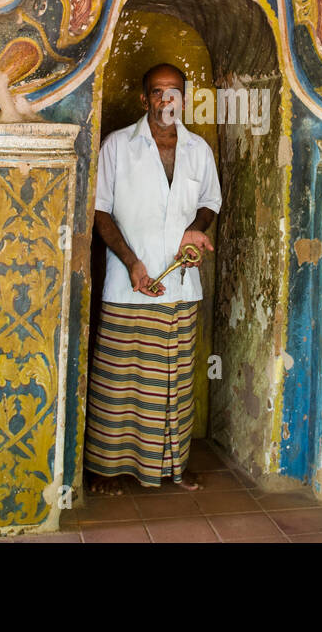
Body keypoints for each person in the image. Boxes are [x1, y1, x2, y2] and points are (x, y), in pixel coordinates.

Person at [85, 63, 221, 493]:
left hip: (181, 287)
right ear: (145, 99)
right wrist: (130, 262)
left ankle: (172, 466)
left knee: (174, 383)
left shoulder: (198, 150)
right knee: (120, 384)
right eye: (158, 91)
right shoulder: (117, 146)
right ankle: (108, 469)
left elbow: (210, 202)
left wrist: (196, 229)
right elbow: (100, 211)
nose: (167, 99)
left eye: (175, 91)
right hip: (128, 288)